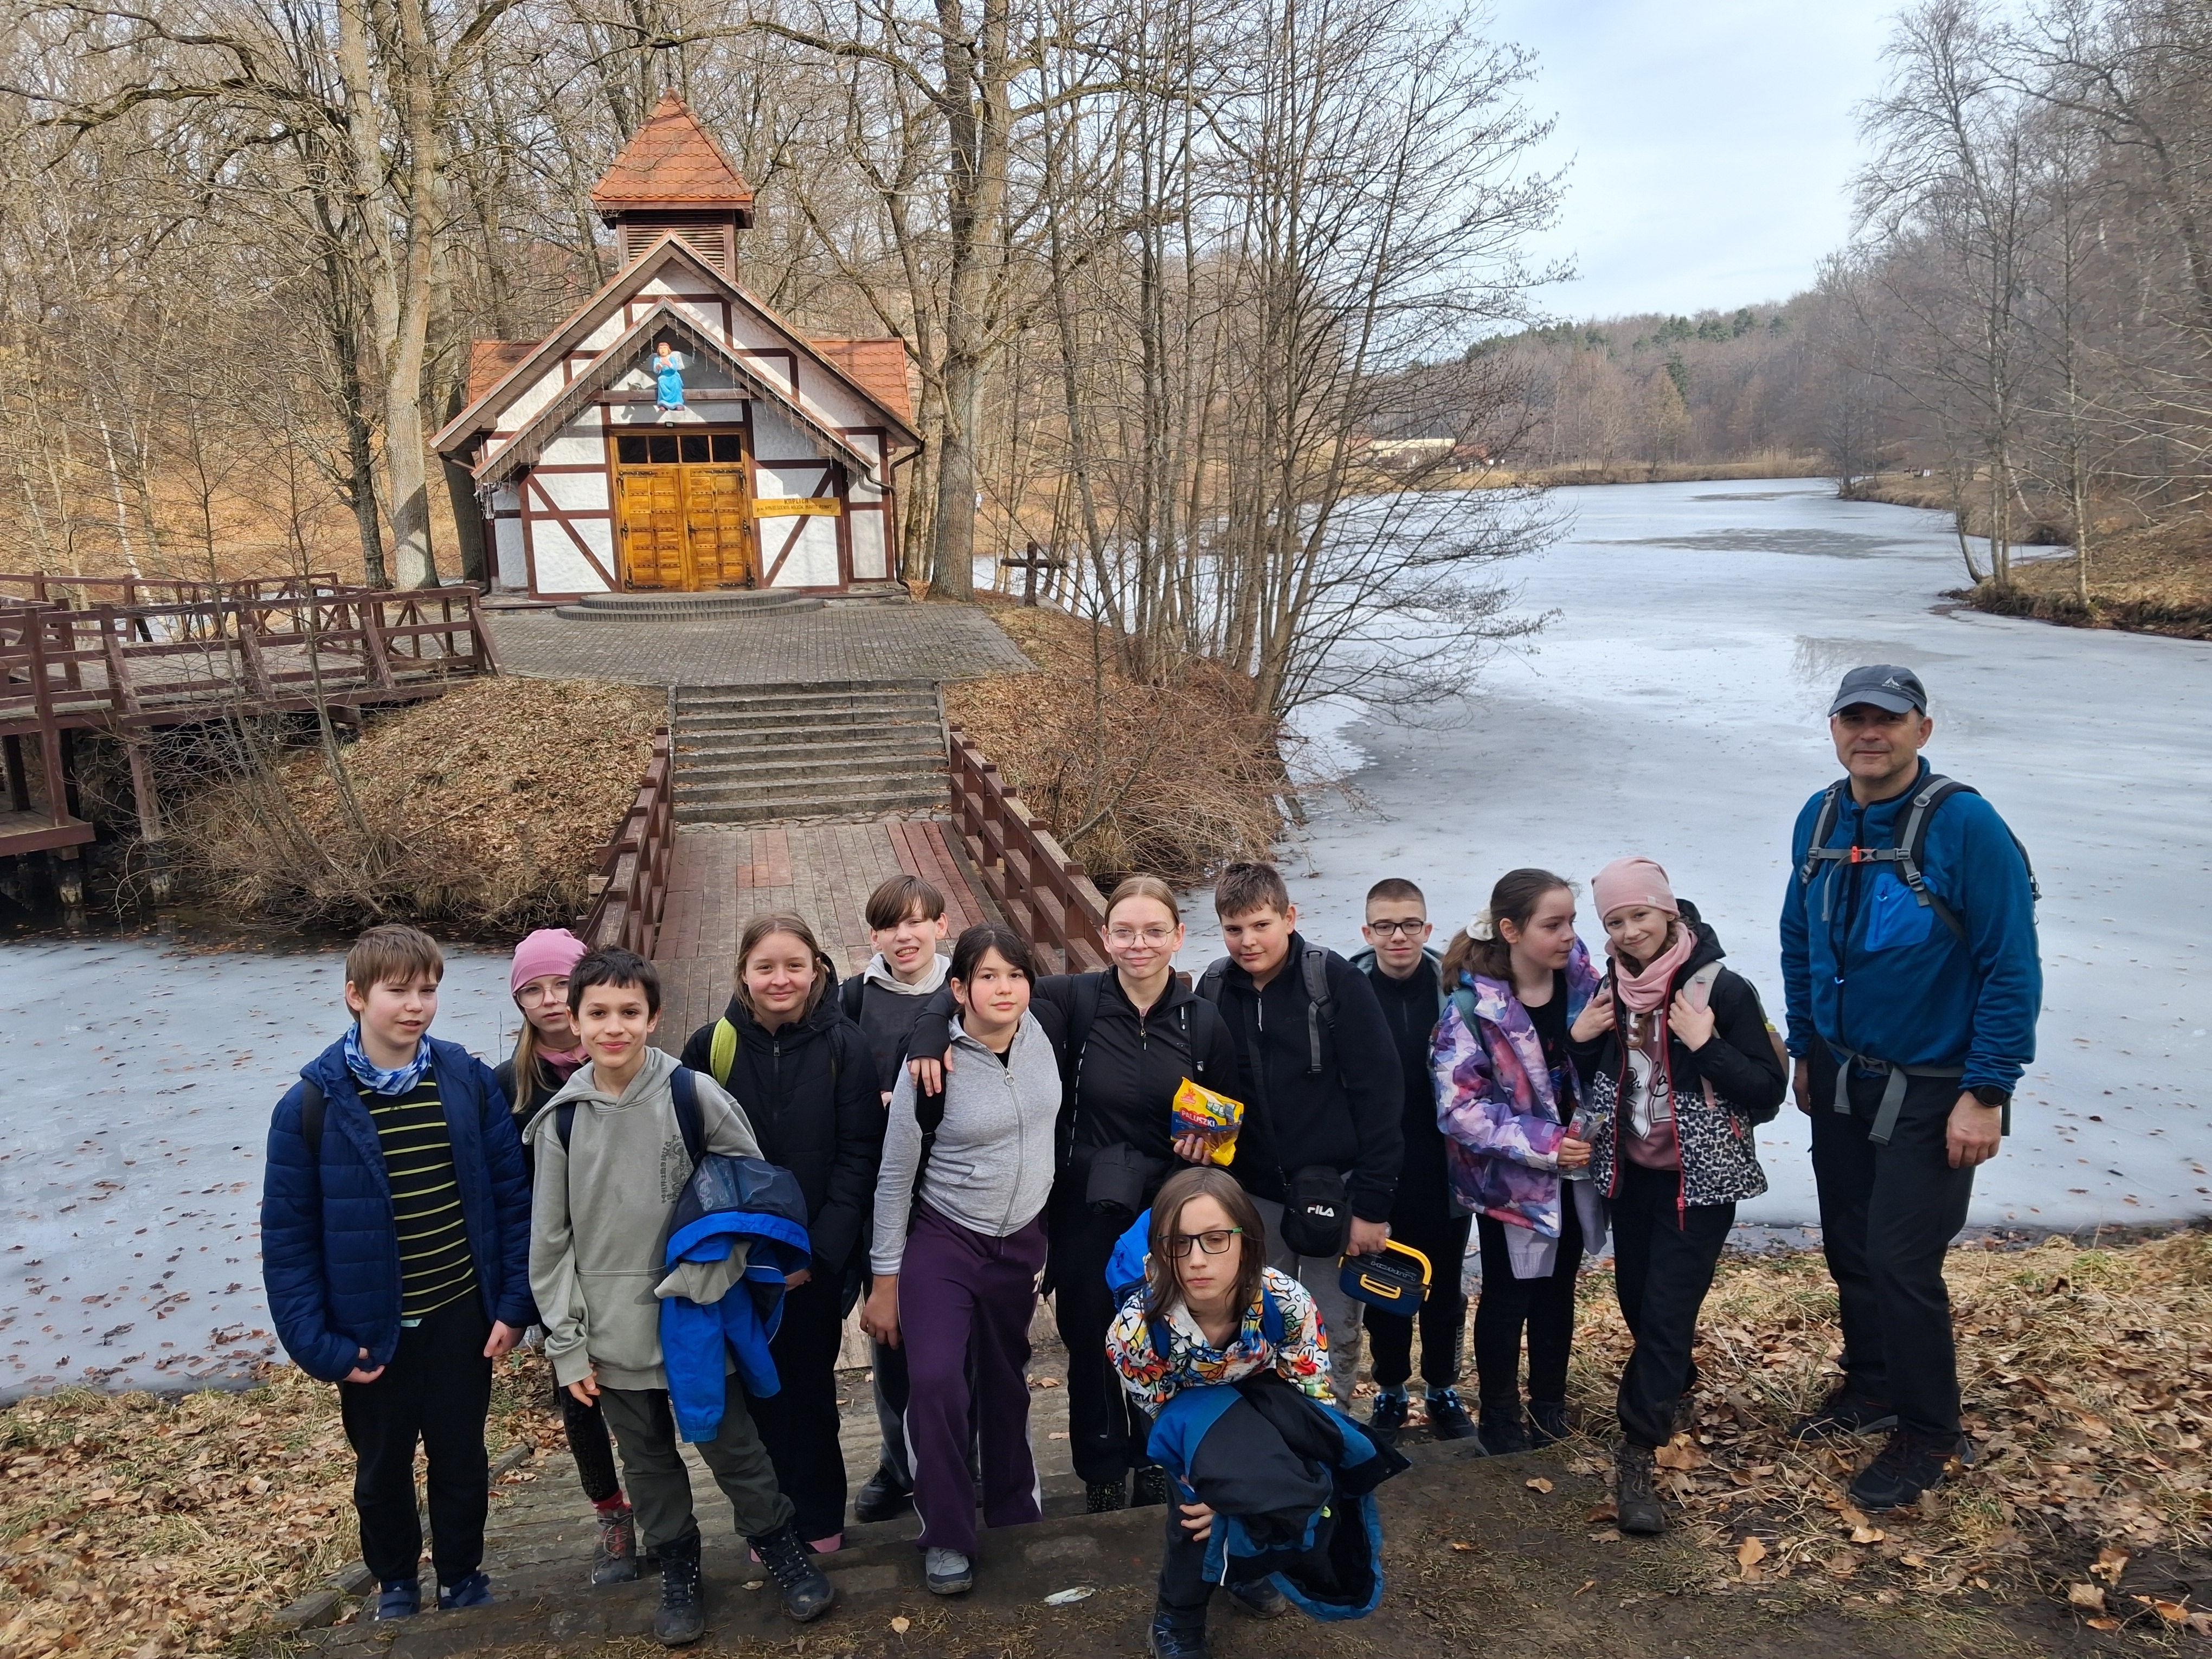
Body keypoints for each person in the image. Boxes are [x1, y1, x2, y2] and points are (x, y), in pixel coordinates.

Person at [1782, 665, 2040, 1510]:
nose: (1870, 732)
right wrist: (1806, 1047)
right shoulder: (1820, 818)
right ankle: (1872, 1386)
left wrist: (1988, 1091)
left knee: (1901, 1259)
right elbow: (1798, 936)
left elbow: (2010, 965)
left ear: (1921, 731)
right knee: (1850, 1244)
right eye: (1853, 718)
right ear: (1834, 730)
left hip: (1936, 1083)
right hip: (1842, 1073)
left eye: (1888, 719)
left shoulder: (1966, 825)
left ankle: (1930, 1430)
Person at [905, 875, 1240, 1512]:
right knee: (1091, 1343)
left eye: (1154, 932)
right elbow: (981, 995)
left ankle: (1159, 1459)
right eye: (1125, 932)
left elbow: (1227, 1118)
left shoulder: (1203, 1022)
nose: (1139, 945)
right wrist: (928, 1030)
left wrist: (1210, 1152)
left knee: (1169, 1337)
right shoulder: (1072, 999)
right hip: (1085, 1208)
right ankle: (1102, 1469)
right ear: (1105, 936)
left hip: (1168, 1212)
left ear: (1178, 936)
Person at [528, 948, 835, 1642]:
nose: (614, 1027)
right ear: (575, 1022)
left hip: (698, 1315)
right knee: (647, 1462)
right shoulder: (562, 1122)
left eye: (629, 1012)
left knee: (735, 1447)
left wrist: (715, 1272)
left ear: (654, 1017)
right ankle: (678, 1568)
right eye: (598, 1013)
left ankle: (780, 1548)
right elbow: (549, 1243)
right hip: (611, 1331)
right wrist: (567, 1347)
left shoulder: (692, 1096)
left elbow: (753, 1190)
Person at [260, 924, 534, 1621]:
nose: (416, 1006)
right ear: (356, 995)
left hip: (459, 1315)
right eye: (399, 991)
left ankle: (462, 1575)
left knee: (462, 1456)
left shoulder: (466, 1082)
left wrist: (513, 1305)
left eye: (429, 990)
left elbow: (511, 1199)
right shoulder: (310, 1107)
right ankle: (397, 1582)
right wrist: (320, 1347)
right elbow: (288, 1241)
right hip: (369, 1331)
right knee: (382, 1468)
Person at [1108, 1167, 1404, 1659]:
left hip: (1265, 1395)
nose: (1196, 1261)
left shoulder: (1286, 1303)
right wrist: (1206, 1487)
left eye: (1215, 1240)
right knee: (1195, 1518)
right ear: (1160, 1250)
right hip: (1184, 1410)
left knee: (1275, 1486)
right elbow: (1156, 1411)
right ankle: (1177, 1615)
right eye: (1178, 1244)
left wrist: (1281, 1479)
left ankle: (1244, 1570)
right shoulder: (1135, 1331)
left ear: (1246, 1242)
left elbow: (1309, 1394)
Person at [1570, 858, 1784, 1534]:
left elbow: (1768, 1091)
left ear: (1668, 912)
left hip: (1703, 1182)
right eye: (1614, 921)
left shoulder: (1723, 989)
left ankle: (1637, 1451)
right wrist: (1579, 1042)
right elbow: (1596, 1077)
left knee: (1666, 1313)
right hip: (1632, 1175)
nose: (1629, 931)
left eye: (1639, 915)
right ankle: (1673, 1383)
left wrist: (1707, 1044)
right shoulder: (1609, 987)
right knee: (1638, 1300)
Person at [862, 924, 1060, 1597]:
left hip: (1021, 1241)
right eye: (987, 977)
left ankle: (1013, 1508)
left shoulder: (1045, 1029)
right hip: (945, 1238)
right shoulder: (929, 1067)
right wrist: (884, 1281)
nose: (1004, 989)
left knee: (1006, 1380)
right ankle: (946, 1531)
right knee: (938, 1380)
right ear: (959, 988)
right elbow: (895, 1176)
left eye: (1015, 975)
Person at [676, 914, 884, 1551]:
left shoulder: (845, 1046)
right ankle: (770, 1524)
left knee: (810, 1389)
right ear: (742, 973)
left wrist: (816, 1252)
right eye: (764, 967)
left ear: (816, 970)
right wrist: (741, 1254)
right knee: (755, 1392)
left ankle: (819, 1520)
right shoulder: (709, 1049)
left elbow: (859, 1155)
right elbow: (695, 1163)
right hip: (740, 1260)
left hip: (815, 1258)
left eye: (795, 966)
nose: (780, 979)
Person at [1197, 861, 1403, 1407]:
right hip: (1254, 1195)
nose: (1248, 941)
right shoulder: (1216, 988)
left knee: (1332, 1328)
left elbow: (1382, 1096)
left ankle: (1333, 1432)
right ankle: (1277, 1434)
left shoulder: (1334, 982)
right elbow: (1210, 1092)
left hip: (1336, 1191)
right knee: (1259, 1326)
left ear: (1290, 918)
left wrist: (1373, 1206)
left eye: (1261, 925)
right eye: (1234, 928)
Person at [1432, 869, 1602, 1454]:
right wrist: (1547, 1144)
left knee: (1559, 1290)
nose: (1568, 935)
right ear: (1511, 930)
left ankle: (1549, 1406)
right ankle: (1500, 1415)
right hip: (1510, 1186)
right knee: (1510, 1295)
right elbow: (1459, 1109)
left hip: (1577, 1174)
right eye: (1552, 925)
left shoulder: (1584, 984)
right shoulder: (1473, 1009)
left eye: (1571, 922)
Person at [493, 927, 642, 1586]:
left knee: (644, 1397)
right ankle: (611, 1514)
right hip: (558, 1267)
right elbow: (504, 1190)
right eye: (534, 990)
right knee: (577, 1398)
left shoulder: (625, 1058)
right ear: (519, 1002)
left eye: (561, 984)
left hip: (629, 1258)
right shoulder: (508, 1086)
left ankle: (663, 1510)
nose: (550, 1000)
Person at [841, 874, 954, 1525]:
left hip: (953, 1194)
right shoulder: (853, 998)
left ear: (941, 926)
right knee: (890, 1338)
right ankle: (897, 1461)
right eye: (890, 925)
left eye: (917, 922)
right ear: (874, 935)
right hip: (879, 1195)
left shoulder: (967, 988)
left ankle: (960, 1458)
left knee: (957, 1338)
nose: (904, 936)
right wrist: (878, 1103)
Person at [1349, 878, 1476, 1446]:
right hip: (1379, 1170)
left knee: (1444, 1290)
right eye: (1385, 925)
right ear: (1368, 931)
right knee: (1385, 1288)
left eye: (1409, 925)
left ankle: (1443, 1388)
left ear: (1427, 929)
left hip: (1444, 1168)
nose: (1397, 936)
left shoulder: (1454, 991)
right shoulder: (1348, 992)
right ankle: (1391, 1387)